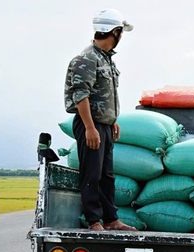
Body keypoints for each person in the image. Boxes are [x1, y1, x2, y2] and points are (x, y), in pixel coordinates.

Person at [64, 9, 136, 231]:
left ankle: (111, 219)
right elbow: (81, 96)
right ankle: (94, 220)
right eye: (121, 32)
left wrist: (111, 120)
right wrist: (89, 127)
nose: (121, 37)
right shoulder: (86, 59)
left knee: (106, 175)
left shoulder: (106, 60)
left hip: (103, 125)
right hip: (89, 125)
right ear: (115, 32)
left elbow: (104, 95)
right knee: (92, 174)